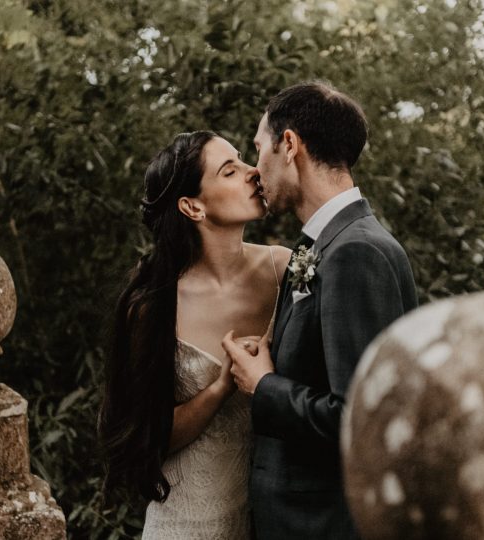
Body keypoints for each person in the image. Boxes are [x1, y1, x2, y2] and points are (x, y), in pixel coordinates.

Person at [222, 81, 419, 539]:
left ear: (289, 145)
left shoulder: (356, 252)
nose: (256, 170)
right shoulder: (329, 242)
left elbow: (360, 417)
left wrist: (263, 385)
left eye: (259, 149)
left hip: (321, 525)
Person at [98, 131, 290, 539]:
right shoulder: (153, 305)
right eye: (230, 170)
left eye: (243, 160)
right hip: (187, 525)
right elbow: (146, 437)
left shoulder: (284, 270)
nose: (253, 172)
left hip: (270, 522)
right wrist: (221, 387)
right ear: (193, 206)